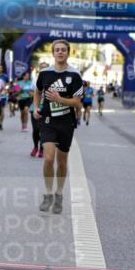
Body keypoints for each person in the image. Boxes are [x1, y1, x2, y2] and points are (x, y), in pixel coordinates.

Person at [34, 40, 83, 215]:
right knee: (48, 158)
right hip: (48, 120)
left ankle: (59, 194)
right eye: (57, 50)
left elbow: (77, 103)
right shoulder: (44, 73)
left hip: (66, 122)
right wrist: (36, 107)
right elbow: (37, 91)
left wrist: (59, 99)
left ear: (68, 53)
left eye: (63, 50)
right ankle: (48, 194)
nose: (60, 52)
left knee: (62, 162)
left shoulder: (75, 75)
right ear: (53, 53)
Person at [30, 62, 48, 158]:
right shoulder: (35, 79)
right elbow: (31, 92)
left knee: (43, 129)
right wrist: (36, 95)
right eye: (42, 67)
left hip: (46, 108)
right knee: (36, 129)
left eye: (45, 68)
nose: (43, 69)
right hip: (35, 106)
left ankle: (41, 148)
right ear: (39, 69)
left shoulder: (51, 79)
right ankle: (35, 147)